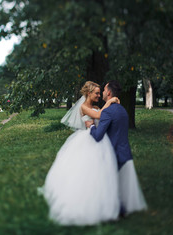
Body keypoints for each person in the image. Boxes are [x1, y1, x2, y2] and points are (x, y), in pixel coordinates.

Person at [38, 81, 121, 226]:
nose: (98, 95)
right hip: (86, 140)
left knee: (98, 172)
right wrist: (111, 101)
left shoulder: (95, 106)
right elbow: (100, 114)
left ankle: (98, 200)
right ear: (88, 93)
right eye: (96, 93)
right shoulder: (83, 107)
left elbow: (101, 117)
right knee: (83, 171)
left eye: (99, 92)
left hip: (98, 139)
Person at [86, 80, 147, 216]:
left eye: (103, 90)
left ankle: (117, 210)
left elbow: (97, 136)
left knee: (106, 183)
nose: (101, 92)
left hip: (113, 153)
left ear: (108, 92)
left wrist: (90, 126)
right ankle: (116, 209)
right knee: (112, 182)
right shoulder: (122, 110)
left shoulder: (107, 112)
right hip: (124, 152)